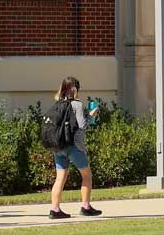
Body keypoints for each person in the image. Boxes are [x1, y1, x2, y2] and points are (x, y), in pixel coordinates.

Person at [49, 77, 101, 219]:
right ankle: (86, 207)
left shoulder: (57, 104)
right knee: (86, 175)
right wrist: (92, 113)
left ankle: (55, 209)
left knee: (60, 178)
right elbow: (82, 125)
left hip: (58, 146)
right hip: (74, 146)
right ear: (74, 89)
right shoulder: (76, 104)